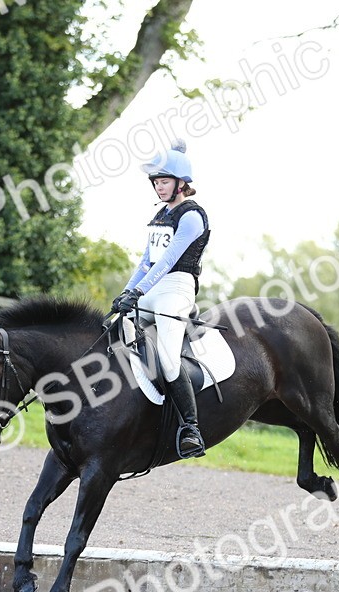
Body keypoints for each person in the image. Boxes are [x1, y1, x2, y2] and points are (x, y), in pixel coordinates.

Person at [111, 139, 211, 459]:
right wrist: (127, 292)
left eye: (164, 181)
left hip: (177, 289)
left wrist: (139, 292)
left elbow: (168, 260)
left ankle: (190, 428)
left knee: (168, 358)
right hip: (151, 289)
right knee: (112, 334)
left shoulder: (192, 216)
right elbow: (145, 262)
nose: (159, 187)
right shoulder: (158, 217)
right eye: (156, 181)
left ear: (182, 183)